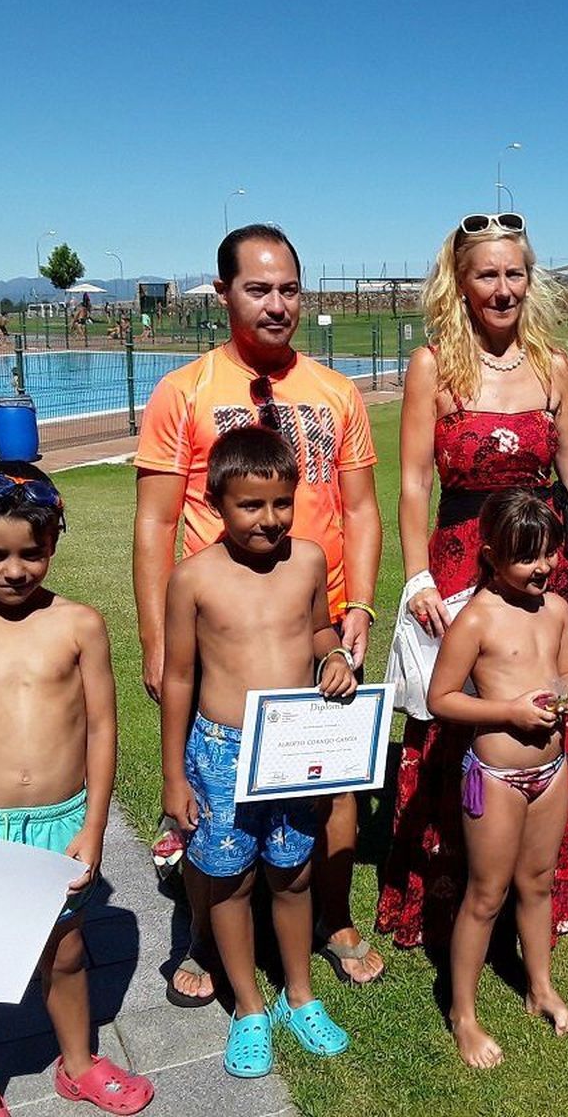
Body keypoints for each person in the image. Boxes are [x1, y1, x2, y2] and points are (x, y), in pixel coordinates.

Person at [134, 223, 383, 1004]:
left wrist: (360, 611)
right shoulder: (186, 391)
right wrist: (153, 637)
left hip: (316, 624)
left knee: (328, 787)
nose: (278, 305)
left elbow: (363, 509)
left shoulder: (337, 392)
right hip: (221, 631)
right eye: (258, 289)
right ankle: (206, 938)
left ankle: (331, 920)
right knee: (217, 803)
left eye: (288, 289)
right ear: (224, 294)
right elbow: (153, 521)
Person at [377, 211, 568, 949]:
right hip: (459, 565)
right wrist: (416, 576)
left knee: (553, 702)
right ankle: (455, 885)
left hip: (550, 567)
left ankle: (547, 878)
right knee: (457, 718)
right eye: (488, 273)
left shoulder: (553, 365)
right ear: (461, 282)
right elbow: (415, 482)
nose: (504, 287)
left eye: (515, 273)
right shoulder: (434, 366)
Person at [0, 463, 154, 1117]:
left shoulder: (79, 626)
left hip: (58, 821)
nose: (14, 569)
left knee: (66, 954)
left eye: (31, 553)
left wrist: (93, 826)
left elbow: (102, 729)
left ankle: (77, 1063)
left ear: (52, 544)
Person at [159, 427, 356, 1074]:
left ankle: (298, 995)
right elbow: (180, 679)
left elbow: (319, 625)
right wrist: (174, 777)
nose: (269, 519)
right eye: (251, 505)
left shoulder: (307, 562)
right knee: (229, 879)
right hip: (220, 752)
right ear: (217, 502)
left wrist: (332, 655)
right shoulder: (192, 579)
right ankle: (248, 1006)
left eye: (281, 503)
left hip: (291, 746)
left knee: (293, 873)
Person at [428, 490, 568, 1068]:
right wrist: (508, 712)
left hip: (550, 769)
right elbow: (439, 699)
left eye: (549, 554)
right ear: (492, 556)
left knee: (538, 884)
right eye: (527, 559)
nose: (543, 567)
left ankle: (539, 986)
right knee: (486, 893)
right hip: (494, 775)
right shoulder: (475, 618)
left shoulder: (557, 609)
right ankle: (463, 1014)